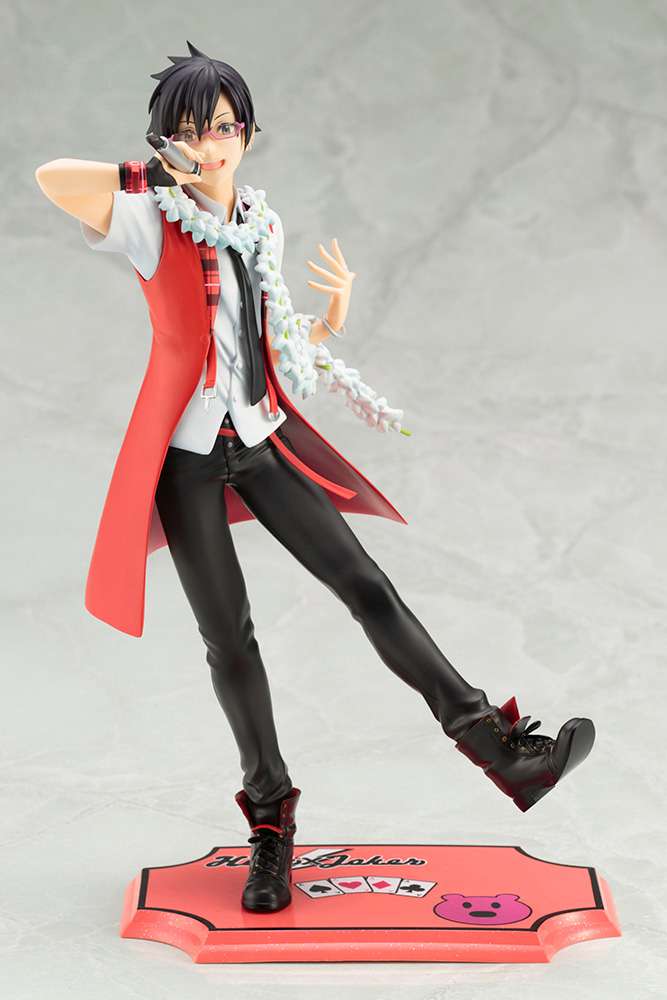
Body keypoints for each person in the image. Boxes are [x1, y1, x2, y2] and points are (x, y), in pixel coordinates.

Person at [34, 41, 595, 915]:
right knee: (230, 640)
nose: (213, 144)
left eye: (225, 127)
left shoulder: (260, 224)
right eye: (193, 130)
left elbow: (266, 343)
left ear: (249, 133)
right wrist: (155, 168)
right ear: (169, 140)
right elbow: (52, 177)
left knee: (367, 586)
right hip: (188, 462)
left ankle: (499, 751)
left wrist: (325, 321)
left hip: (259, 442)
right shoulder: (150, 219)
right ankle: (270, 824)